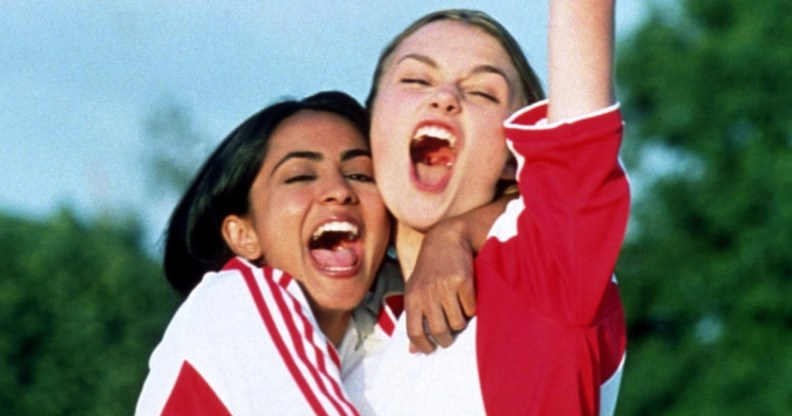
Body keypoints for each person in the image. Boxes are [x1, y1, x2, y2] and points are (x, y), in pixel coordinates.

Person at [345, 0, 629, 415]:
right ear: (371, 127)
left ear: (515, 159)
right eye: (416, 79)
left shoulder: (544, 272)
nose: (445, 97)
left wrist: (457, 231)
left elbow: (580, 149)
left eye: (482, 91)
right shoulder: (339, 350)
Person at [135, 91, 395, 415]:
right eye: (300, 176)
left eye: (359, 175)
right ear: (243, 236)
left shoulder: (372, 338)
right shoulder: (233, 302)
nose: (340, 191)